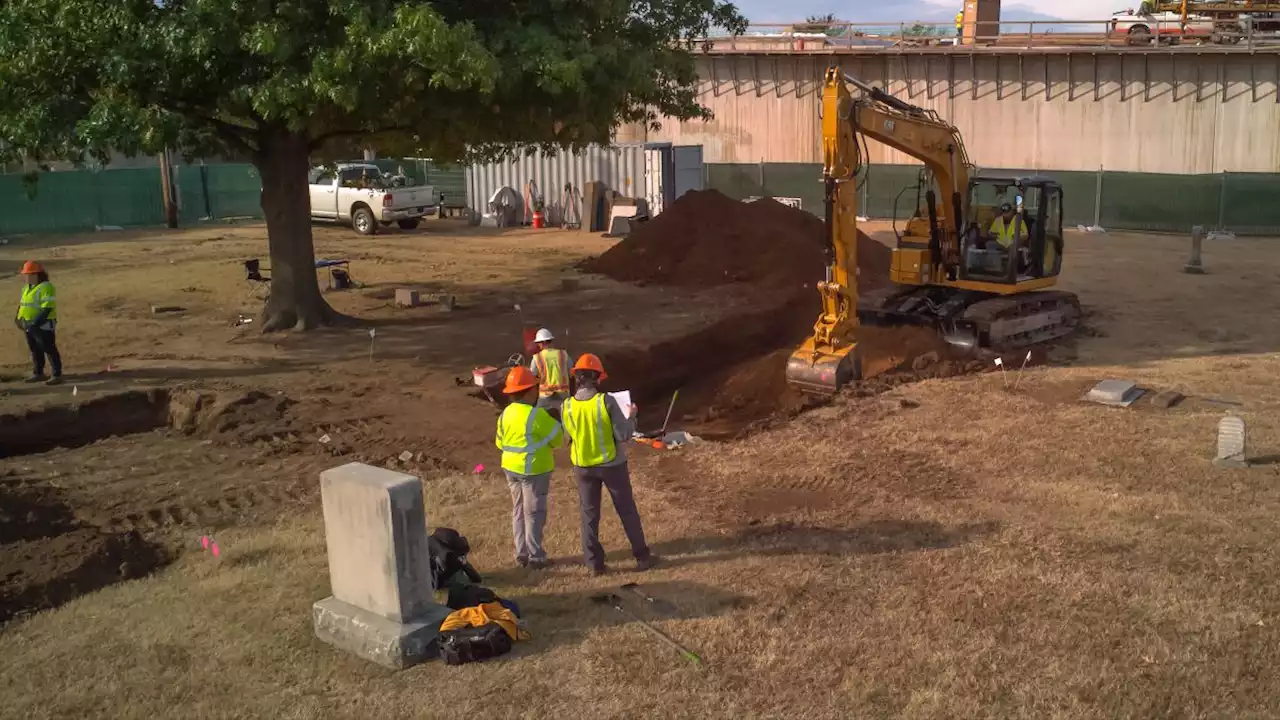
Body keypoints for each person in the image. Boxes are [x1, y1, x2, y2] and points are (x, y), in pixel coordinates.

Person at [560, 353, 657, 576]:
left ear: (578, 378)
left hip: (583, 467)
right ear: (597, 378)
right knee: (627, 510)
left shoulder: (566, 406)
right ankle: (642, 557)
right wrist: (632, 416)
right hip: (612, 465)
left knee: (589, 515)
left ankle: (594, 564)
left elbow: (568, 439)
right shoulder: (606, 402)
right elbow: (623, 434)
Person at [494, 365, 562, 569]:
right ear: (528, 391)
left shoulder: (505, 414)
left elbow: (499, 442)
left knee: (518, 510)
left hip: (510, 468)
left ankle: (521, 553)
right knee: (534, 512)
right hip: (533, 469)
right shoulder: (536, 416)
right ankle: (536, 556)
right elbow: (558, 440)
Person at [15, 261, 62, 386]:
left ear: (38, 274)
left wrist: (36, 322)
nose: (26, 277)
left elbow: (47, 307)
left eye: (29, 274)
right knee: (35, 350)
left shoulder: (46, 287)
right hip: (28, 324)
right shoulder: (26, 288)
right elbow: (22, 305)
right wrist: (18, 319)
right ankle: (38, 373)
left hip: (43, 324)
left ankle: (56, 375)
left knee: (49, 349)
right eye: (25, 275)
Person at [528, 327, 570, 422]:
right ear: (551, 341)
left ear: (541, 343)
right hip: (563, 394)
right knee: (566, 419)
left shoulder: (537, 358)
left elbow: (532, 378)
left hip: (545, 397)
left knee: (537, 418)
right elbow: (572, 373)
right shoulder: (563, 354)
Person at [989, 203, 1030, 271]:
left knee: (1019, 252)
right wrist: (993, 235)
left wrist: (1017, 239)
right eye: (1004, 213)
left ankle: (1014, 270)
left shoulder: (1019, 220)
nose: (1005, 215)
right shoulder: (998, 220)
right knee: (990, 245)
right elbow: (990, 232)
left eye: (1007, 213)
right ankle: (995, 268)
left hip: (1013, 245)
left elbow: (1025, 234)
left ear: (1012, 212)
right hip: (1000, 245)